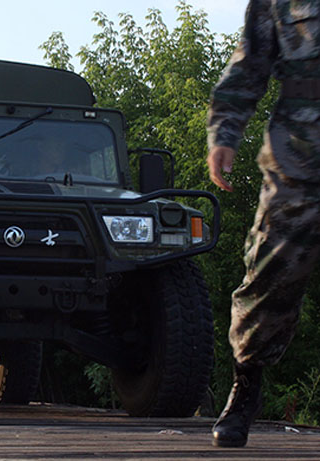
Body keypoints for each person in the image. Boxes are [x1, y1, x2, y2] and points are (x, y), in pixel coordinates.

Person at [206, 0, 320, 448]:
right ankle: (246, 383)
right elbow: (250, 63)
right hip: (299, 155)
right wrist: (224, 132)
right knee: (269, 274)